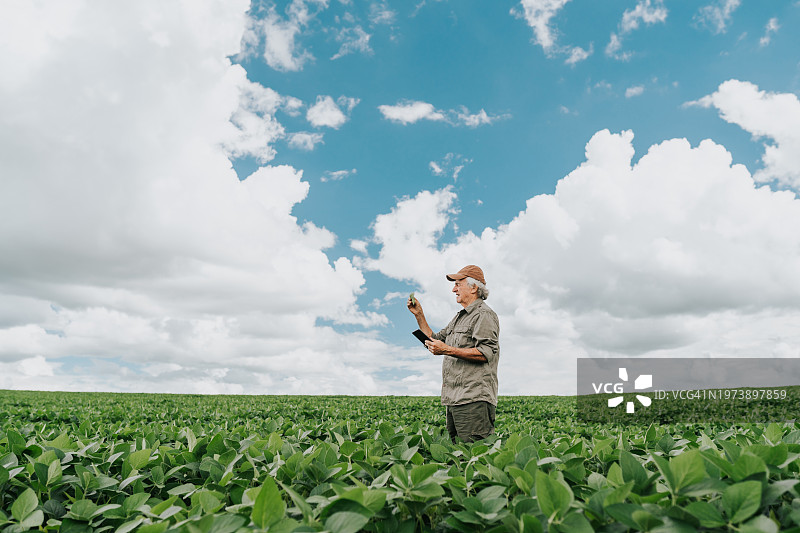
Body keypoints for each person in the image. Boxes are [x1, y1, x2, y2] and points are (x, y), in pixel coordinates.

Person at [407, 265, 499, 443]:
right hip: (454, 399)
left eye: (458, 284)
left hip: (473, 400)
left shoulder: (484, 315)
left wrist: (447, 350)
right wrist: (419, 315)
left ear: (474, 288)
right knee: (457, 457)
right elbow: (435, 339)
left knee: (474, 458)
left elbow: (485, 353)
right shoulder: (459, 317)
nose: (453, 289)